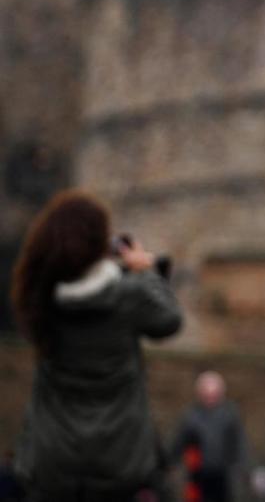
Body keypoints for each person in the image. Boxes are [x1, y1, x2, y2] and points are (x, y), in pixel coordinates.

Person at [10, 189, 182, 500]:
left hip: (52, 461)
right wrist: (145, 273)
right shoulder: (127, 297)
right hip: (119, 461)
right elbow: (169, 320)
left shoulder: (40, 300)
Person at [170, 371, 247, 502]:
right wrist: (168, 463)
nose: (210, 400)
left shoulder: (230, 415)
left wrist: (245, 470)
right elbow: (177, 443)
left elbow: (240, 444)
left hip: (224, 477)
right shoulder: (190, 416)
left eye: (214, 395)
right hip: (197, 476)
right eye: (207, 395)